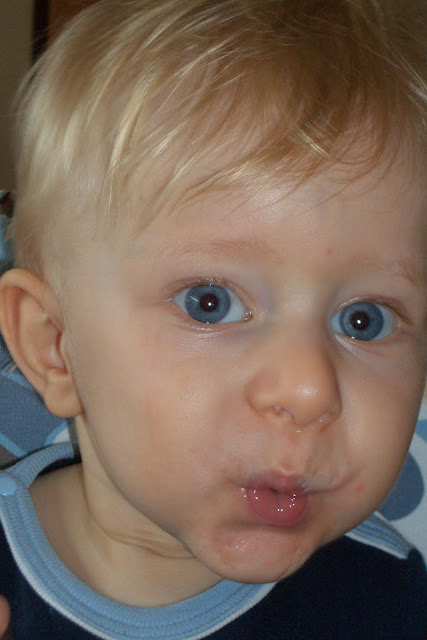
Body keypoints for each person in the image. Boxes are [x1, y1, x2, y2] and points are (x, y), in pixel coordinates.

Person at [0, 0, 426, 638]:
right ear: (54, 346)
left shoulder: (388, 603)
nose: (309, 390)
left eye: (363, 320)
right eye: (210, 303)